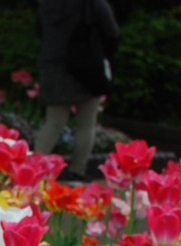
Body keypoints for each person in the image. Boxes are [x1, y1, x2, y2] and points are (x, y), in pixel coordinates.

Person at [35, 0, 120, 180]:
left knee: (54, 123)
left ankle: (32, 169)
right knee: (86, 123)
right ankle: (78, 170)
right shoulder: (93, 4)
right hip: (87, 66)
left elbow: (40, 32)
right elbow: (112, 34)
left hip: (53, 66)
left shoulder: (47, 5)